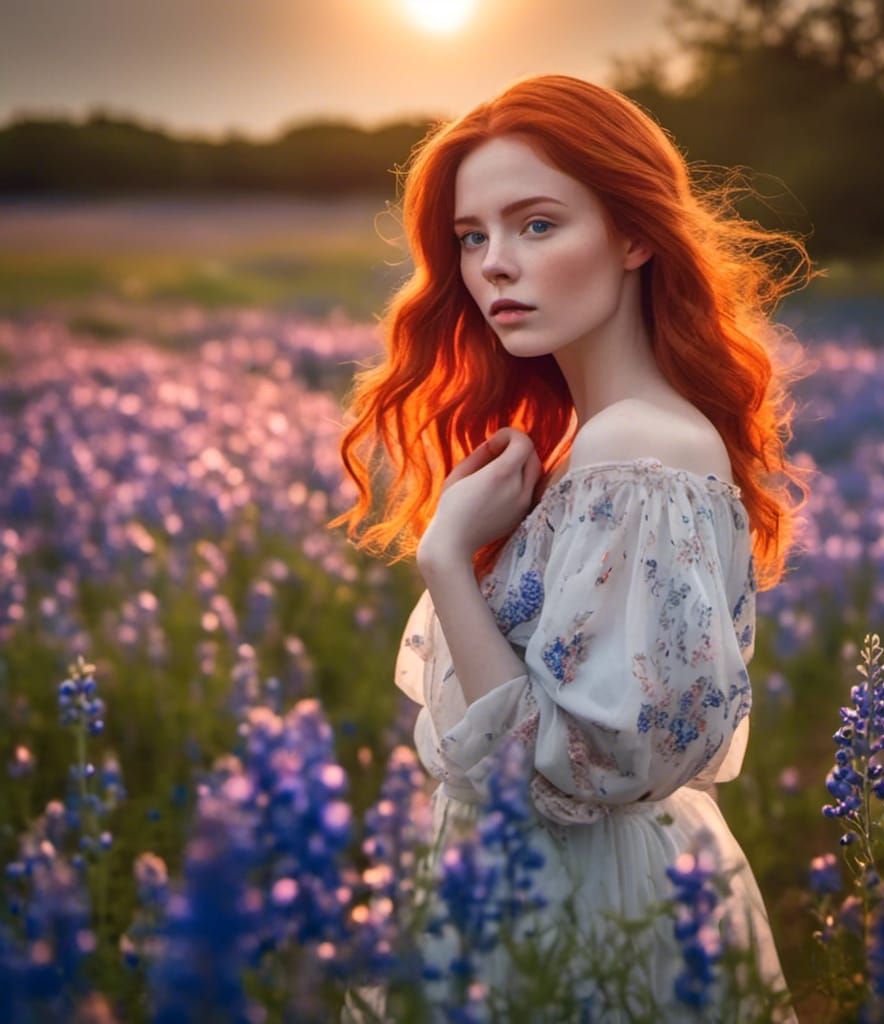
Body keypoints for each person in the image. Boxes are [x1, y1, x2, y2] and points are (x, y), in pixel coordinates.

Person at [332, 72, 820, 1022]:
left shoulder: (636, 448)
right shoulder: (590, 446)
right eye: (472, 237)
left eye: (538, 224)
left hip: (584, 903)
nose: (493, 266)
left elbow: (571, 771)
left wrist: (445, 561)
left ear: (635, 234)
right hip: (538, 883)